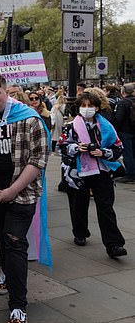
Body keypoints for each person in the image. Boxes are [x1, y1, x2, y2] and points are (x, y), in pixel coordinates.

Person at [0, 74, 51, 323]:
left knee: (15, 242)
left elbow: (39, 159)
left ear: (6, 93)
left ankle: (18, 304)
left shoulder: (29, 120)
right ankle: (7, 273)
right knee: (3, 240)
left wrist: (12, 191)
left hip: (22, 195)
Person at [58, 92, 127, 258]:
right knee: (78, 205)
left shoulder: (106, 126)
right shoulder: (70, 126)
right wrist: (76, 148)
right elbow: (61, 147)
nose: (87, 109)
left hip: (102, 170)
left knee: (106, 208)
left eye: (91, 106)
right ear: (78, 107)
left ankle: (114, 244)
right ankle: (80, 232)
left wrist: (102, 152)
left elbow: (118, 147)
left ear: (97, 107)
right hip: (78, 172)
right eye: (84, 105)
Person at [114, 83, 135, 183]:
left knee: (127, 153)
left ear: (123, 92)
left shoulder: (123, 103)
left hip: (125, 131)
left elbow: (119, 118)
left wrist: (115, 130)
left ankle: (130, 174)